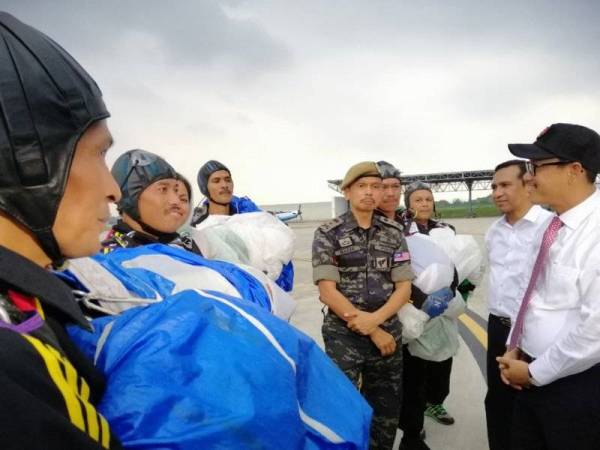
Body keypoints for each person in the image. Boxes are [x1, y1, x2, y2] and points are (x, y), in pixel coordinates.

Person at [0, 12, 123, 448]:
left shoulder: (25, 304)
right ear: (25, 160)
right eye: (97, 154)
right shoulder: (12, 355)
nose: (113, 190)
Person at [498, 123, 600, 450]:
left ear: (574, 170)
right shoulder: (552, 225)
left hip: (576, 386)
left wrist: (534, 373)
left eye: (537, 166)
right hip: (529, 373)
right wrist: (515, 343)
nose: (529, 177)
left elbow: (595, 328)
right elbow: (529, 294)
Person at [312, 161, 413, 450]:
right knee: (340, 408)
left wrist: (377, 322)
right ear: (347, 192)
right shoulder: (328, 233)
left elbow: (403, 287)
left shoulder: (394, 233)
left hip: (388, 334)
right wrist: (371, 329)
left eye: (376, 187)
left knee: (385, 411)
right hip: (343, 334)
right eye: (362, 186)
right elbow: (327, 291)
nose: (370, 192)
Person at [484, 160, 552, 450]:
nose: (497, 193)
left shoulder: (550, 227)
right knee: (498, 401)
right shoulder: (493, 232)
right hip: (498, 327)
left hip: (535, 332)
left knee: (535, 403)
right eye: (494, 187)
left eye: (505, 185)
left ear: (528, 185)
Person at [191, 160, 294, 291]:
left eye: (228, 180)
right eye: (216, 181)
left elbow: (281, 250)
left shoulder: (253, 217)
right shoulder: (198, 227)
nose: (224, 185)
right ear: (205, 188)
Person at [103, 149, 198, 253]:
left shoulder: (186, 246)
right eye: (163, 189)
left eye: (175, 190)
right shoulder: (107, 258)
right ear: (129, 199)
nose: (176, 200)